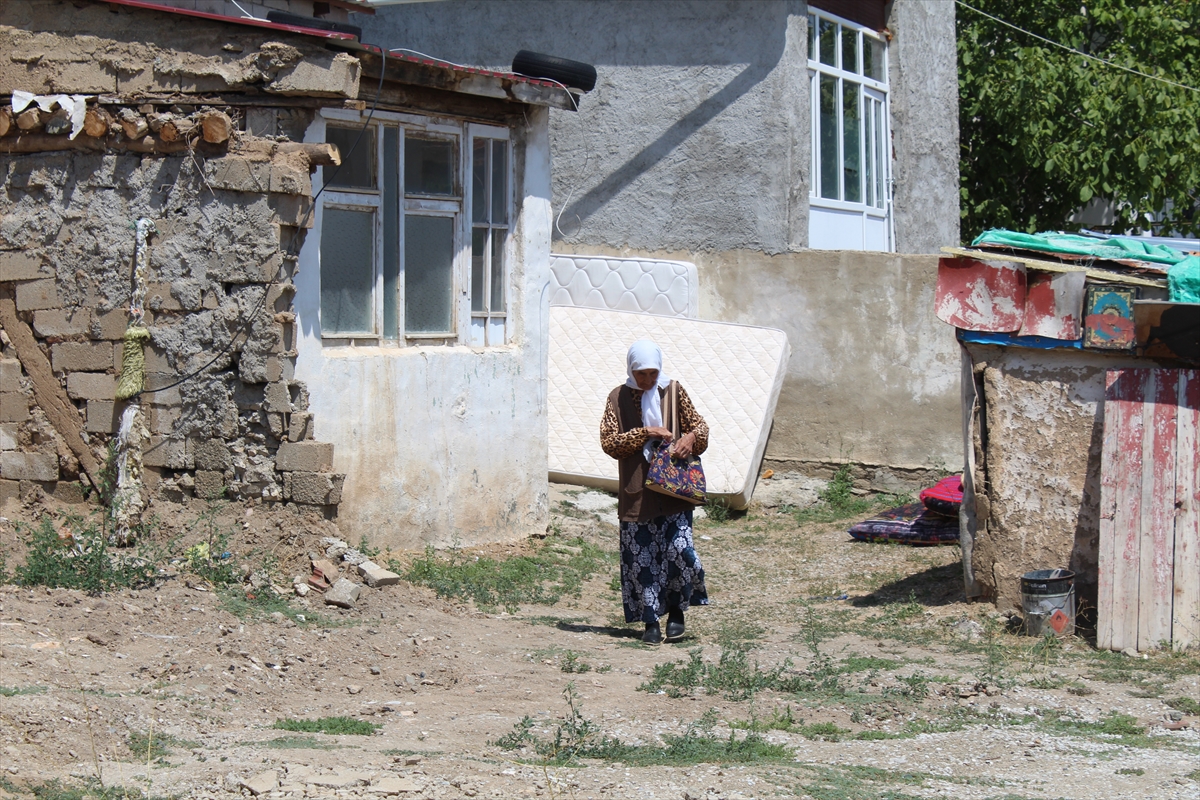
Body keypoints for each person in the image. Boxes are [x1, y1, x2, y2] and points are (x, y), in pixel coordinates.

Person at [599, 340, 709, 644]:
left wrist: (690, 438)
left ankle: (677, 611)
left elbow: (701, 428)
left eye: (652, 373)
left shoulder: (673, 391)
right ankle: (651, 622)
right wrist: (646, 432)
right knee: (642, 559)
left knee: (680, 552)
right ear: (631, 370)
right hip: (638, 493)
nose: (647, 380)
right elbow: (610, 443)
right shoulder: (617, 398)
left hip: (674, 491)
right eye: (641, 373)